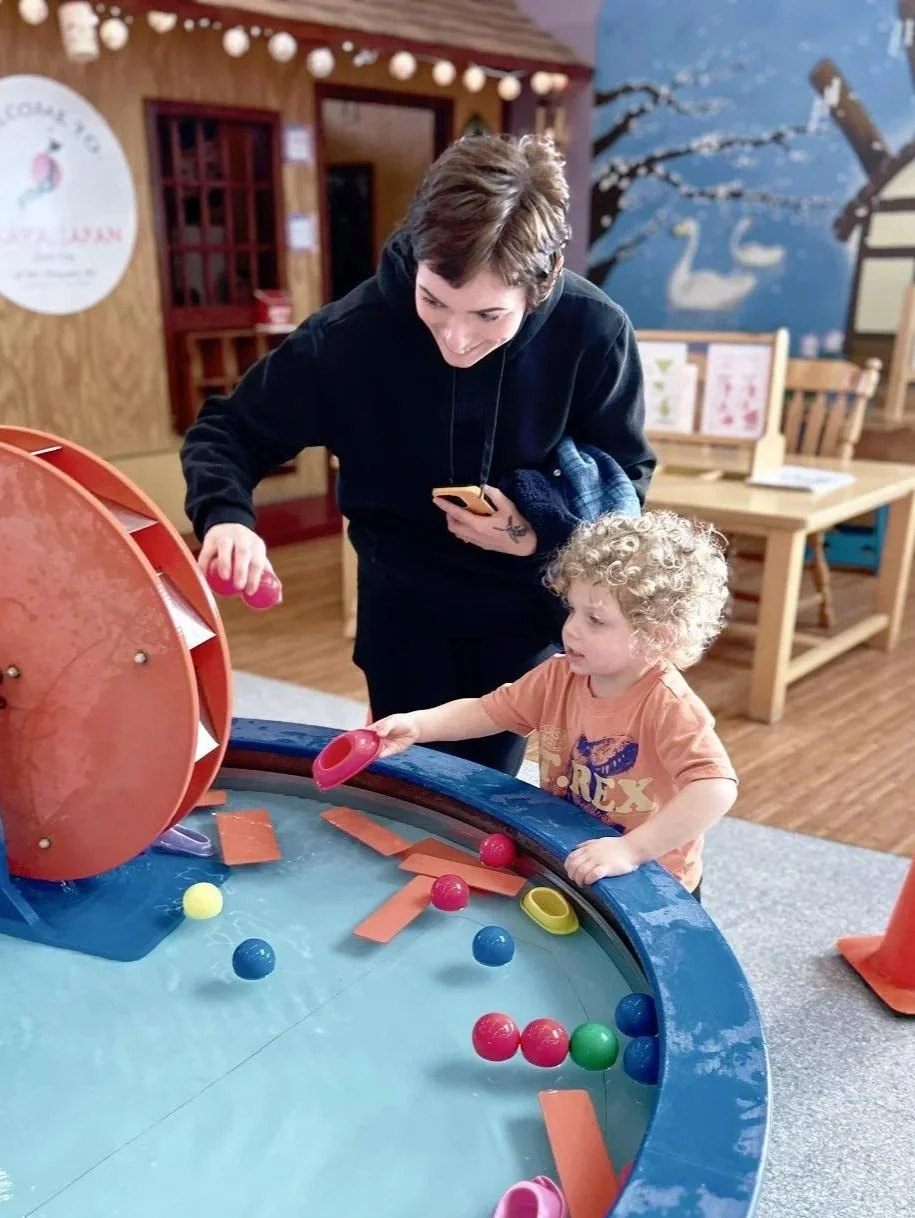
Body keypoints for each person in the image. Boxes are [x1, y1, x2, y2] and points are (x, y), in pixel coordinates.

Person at [180, 133, 655, 777]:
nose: (457, 339)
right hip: (403, 607)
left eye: (489, 315)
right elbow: (227, 430)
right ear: (418, 256)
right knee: (408, 783)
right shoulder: (351, 334)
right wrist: (227, 516)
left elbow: (626, 476)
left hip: (530, 610)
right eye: (434, 301)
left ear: (538, 288)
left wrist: (533, 530)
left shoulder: (593, 331)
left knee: (494, 792)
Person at [369, 512, 737, 899]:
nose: (572, 629)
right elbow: (487, 711)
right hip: (575, 847)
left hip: (653, 874)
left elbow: (715, 789)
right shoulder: (559, 676)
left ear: (655, 636)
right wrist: (418, 725)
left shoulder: (667, 704)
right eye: (572, 610)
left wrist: (632, 850)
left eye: (595, 619)